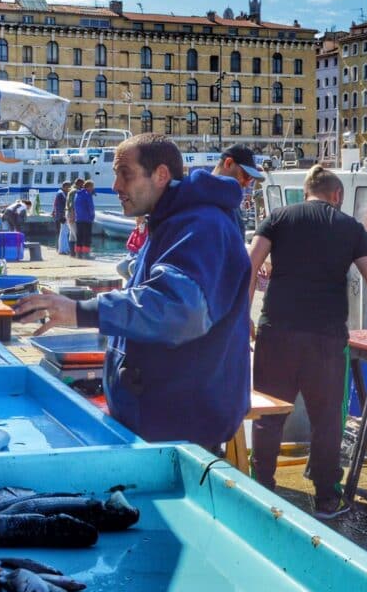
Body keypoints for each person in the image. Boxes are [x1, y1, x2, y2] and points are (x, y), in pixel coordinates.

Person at [15, 133, 251, 449]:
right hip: (154, 421)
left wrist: (79, 311)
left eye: (125, 174)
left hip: (178, 434)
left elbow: (180, 309)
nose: (115, 186)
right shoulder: (171, 221)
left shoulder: (203, 225)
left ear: (161, 175)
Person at [247, 165, 367, 519]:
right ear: (337, 195)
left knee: (268, 413)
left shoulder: (278, 218)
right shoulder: (350, 227)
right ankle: (326, 497)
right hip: (326, 338)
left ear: (306, 190)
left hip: (276, 331)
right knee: (327, 418)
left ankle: (260, 487)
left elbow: (249, 266)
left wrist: (242, 319)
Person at [213, 144, 265, 237]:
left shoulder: (230, 202)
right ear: (228, 163)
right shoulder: (204, 200)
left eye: (251, 179)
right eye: (246, 176)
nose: (247, 184)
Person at [117, 216, 147, 281]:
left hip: (142, 255)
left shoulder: (148, 230)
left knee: (132, 266)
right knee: (120, 267)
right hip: (132, 254)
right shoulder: (135, 230)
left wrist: (141, 233)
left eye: (141, 219)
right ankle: (130, 283)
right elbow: (128, 244)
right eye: (137, 219)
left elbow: (143, 244)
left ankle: (138, 283)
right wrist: (135, 249)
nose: (138, 221)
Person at [73, 181, 96, 258]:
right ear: (89, 187)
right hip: (87, 219)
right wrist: (92, 216)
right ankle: (86, 254)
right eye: (92, 186)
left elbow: (75, 206)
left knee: (79, 236)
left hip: (78, 218)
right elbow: (91, 207)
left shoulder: (77, 194)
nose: (93, 188)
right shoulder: (87, 195)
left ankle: (78, 254)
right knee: (87, 237)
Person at [65, 178, 85, 257]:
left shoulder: (72, 190)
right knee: (77, 234)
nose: (83, 186)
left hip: (69, 213)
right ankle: (79, 254)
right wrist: (73, 215)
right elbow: (72, 204)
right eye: (82, 184)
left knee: (72, 235)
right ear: (79, 183)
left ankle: (72, 253)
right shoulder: (75, 192)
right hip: (72, 213)